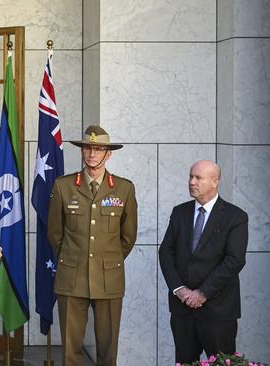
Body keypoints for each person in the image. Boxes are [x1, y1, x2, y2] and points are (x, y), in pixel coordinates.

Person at [47, 125, 137, 366]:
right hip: (71, 275)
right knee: (70, 349)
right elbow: (55, 233)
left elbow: (128, 237)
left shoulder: (124, 188)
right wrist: (71, 258)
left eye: (98, 149)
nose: (92, 154)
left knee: (108, 348)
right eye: (88, 148)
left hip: (109, 277)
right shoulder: (63, 186)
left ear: (109, 154)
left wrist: (108, 260)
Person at [159, 160, 248, 364]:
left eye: (198, 177)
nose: (192, 182)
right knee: (185, 361)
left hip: (218, 309)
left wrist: (202, 293)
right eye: (191, 176)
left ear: (215, 181)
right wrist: (179, 289)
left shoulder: (236, 217)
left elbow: (234, 260)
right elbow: (166, 252)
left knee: (222, 362)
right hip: (183, 309)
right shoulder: (179, 212)